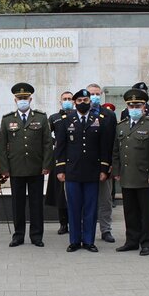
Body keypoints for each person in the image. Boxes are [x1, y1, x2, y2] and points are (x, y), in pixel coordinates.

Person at [55, 89, 113, 252]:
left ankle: (88, 241)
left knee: (90, 208)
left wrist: (104, 169)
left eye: (85, 100)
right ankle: (74, 240)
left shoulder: (99, 119)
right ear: (74, 102)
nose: (82, 103)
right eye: (79, 100)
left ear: (90, 102)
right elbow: (60, 146)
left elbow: (104, 146)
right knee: (73, 207)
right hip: (72, 171)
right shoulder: (66, 120)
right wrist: (60, 169)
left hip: (92, 171)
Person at [0, 82, 52, 247]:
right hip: (16, 169)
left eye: (25, 98)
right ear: (15, 100)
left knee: (36, 204)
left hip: (36, 168)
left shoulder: (41, 117)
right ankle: (18, 235)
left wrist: (46, 165)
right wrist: (5, 169)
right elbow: (2, 146)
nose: (22, 100)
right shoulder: (7, 119)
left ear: (30, 99)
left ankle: (36, 236)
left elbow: (47, 144)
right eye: (19, 98)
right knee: (17, 204)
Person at [113, 88, 149, 256]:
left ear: (144, 107)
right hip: (127, 176)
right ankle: (132, 240)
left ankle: (147, 242)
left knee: (147, 212)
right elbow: (116, 151)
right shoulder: (121, 126)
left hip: (145, 176)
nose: (134, 109)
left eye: (138, 106)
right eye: (131, 105)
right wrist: (117, 171)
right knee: (130, 211)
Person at [87, 83, 117, 243]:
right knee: (87, 201)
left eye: (97, 94)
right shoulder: (78, 113)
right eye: (92, 94)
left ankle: (106, 230)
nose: (95, 97)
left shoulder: (109, 115)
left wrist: (111, 163)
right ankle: (87, 230)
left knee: (105, 200)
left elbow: (113, 141)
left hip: (104, 164)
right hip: (85, 165)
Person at [45, 91, 73, 235]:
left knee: (73, 192)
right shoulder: (54, 118)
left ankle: (75, 222)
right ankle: (63, 224)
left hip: (75, 158)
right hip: (59, 158)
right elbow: (46, 135)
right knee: (61, 194)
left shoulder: (77, 116)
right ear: (60, 101)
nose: (67, 101)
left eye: (69, 99)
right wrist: (55, 143)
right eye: (65, 99)